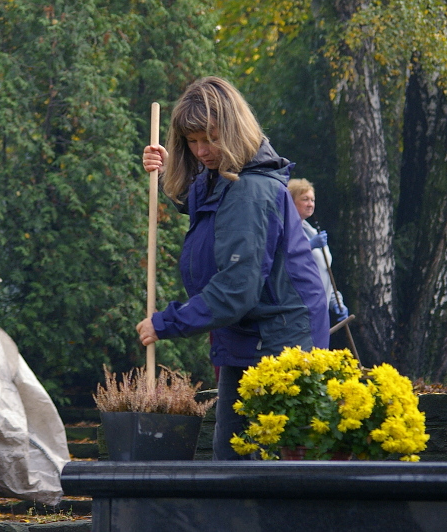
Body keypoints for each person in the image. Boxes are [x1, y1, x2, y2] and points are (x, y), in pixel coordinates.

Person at [136, 77, 329, 460]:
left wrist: (166, 322)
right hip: (246, 337)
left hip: (280, 347)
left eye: (209, 138)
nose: (202, 151)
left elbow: (236, 290)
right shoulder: (225, 177)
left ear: (233, 130)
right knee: (233, 460)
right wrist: (168, 168)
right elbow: (204, 202)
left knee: (262, 467)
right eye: (191, 141)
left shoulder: (251, 191)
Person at [287, 178, 349, 324]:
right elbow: (286, 259)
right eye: (305, 199)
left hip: (320, 310)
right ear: (291, 201)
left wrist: (336, 301)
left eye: (312, 200)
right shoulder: (286, 230)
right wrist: (310, 245)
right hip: (299, 311)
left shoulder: (312, 231)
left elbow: (325, 272)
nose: (310, 204)